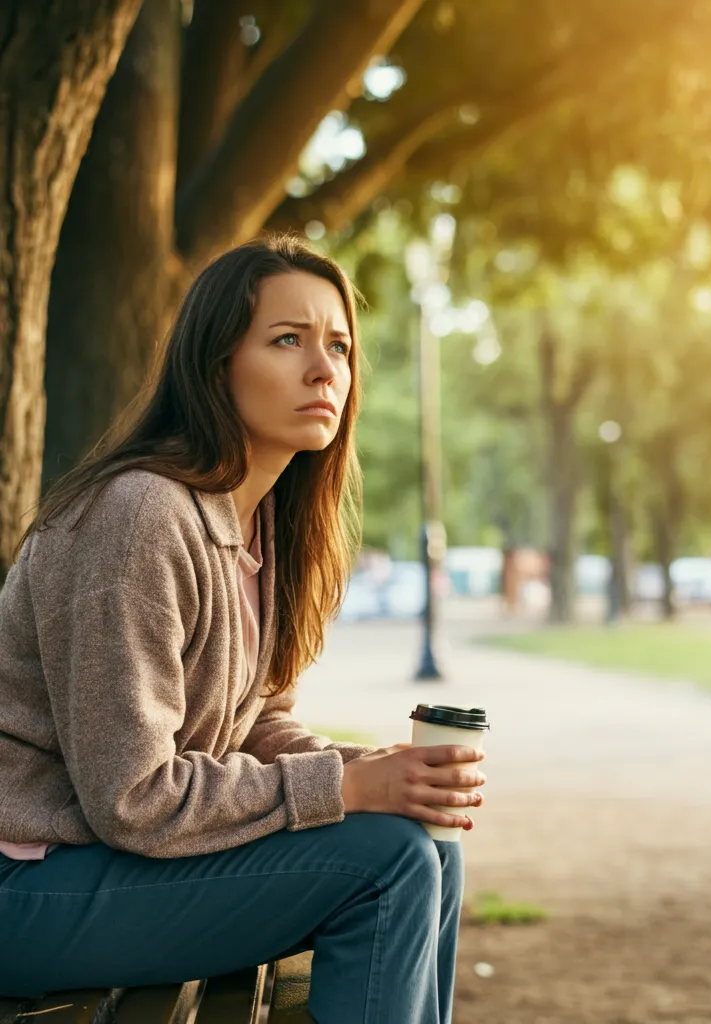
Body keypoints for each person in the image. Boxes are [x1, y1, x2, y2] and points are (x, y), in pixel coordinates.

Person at [0, 237, 485, 1023]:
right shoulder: (141, 517)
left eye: (339, 346)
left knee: (425, 841)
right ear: (215, 363)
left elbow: (255, 723)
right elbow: (133, 797)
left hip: (101, 869)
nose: (324, 370)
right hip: (27, 881)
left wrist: (377, 771)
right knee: (387, 861)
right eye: (287, 340)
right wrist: (346, 788)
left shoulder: (262, 529)